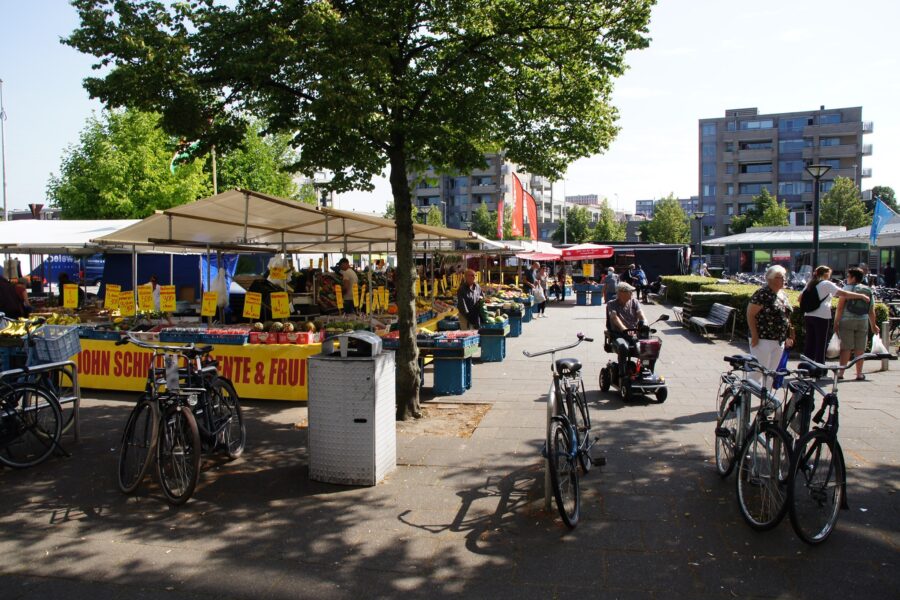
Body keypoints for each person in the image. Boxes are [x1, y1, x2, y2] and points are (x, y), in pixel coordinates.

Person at [801, 265, 869, 364]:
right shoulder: (826, 284)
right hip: (822, 317)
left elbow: (800, 298)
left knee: (810, 342)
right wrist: (861, 296)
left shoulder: (810, 284)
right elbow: (844, 294)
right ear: (826, 274)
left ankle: (806, 367)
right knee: (821, 343)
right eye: (829, 274)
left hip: (808, 315)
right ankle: (819, 368)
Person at [747, 265, 795, 382]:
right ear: (770, 279)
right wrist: (754, 335)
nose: (784, 279)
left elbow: (786, 315)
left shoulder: (783, 294)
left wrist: (789, 335)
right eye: (780, 277)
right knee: (759, 371)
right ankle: (745, 396)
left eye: (784, 277)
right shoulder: (762, 294)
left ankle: (766, 399)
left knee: (771, 373)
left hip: (779, 340)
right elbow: (750, 314)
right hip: (763, 338)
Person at [834, 267, 879, 381]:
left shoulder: (847, 289)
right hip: (862, 321)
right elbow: (871, 310)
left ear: (853, 278)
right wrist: (873, 325)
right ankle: (859, 373)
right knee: (860, 348)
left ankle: (841, 372)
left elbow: (840, 308)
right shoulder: (867, 290)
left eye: (848, 276)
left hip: (847, 320)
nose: (847, 278)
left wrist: (836, 322)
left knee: (846, 347)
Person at [606, 282, 647, 379]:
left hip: (634, 334)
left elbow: (640, 314)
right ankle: (622, 373)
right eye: (630, 292)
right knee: (623, 346)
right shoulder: (611, 304)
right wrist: (624, 329)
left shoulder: (634, 302)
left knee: (649, 346)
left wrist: (645, 323)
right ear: (621, 293)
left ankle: (645, 370)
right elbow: (614, 318)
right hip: (618, 335)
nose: (632, 294)